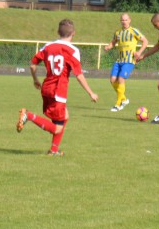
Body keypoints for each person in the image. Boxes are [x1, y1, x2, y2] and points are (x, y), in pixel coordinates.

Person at [17, 19, 99, 155]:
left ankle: (53, 150)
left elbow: (32, 65)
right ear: (73, 33)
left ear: (58, 32)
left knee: (65, 116)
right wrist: (91, 93)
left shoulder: (48, 46)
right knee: (57, 128)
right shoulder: (73, 51)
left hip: (46, 88)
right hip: (58, 91)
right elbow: (78, 75)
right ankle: (28, 116)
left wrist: (35, 80)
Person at [104, 12, 148, 112]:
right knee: (112, 80)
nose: (124, 21)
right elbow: (113, 42)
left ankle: (118, 104)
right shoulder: (118, 32)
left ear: (129, 20)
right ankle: (124, 99)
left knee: (121, 79)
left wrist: (139, 52)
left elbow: (145, 41)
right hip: (119, 60)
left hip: (129, 60)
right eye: (122, 20)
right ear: (120, 21)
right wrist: (108, 47)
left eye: (126, 20)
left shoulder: (134, 31)